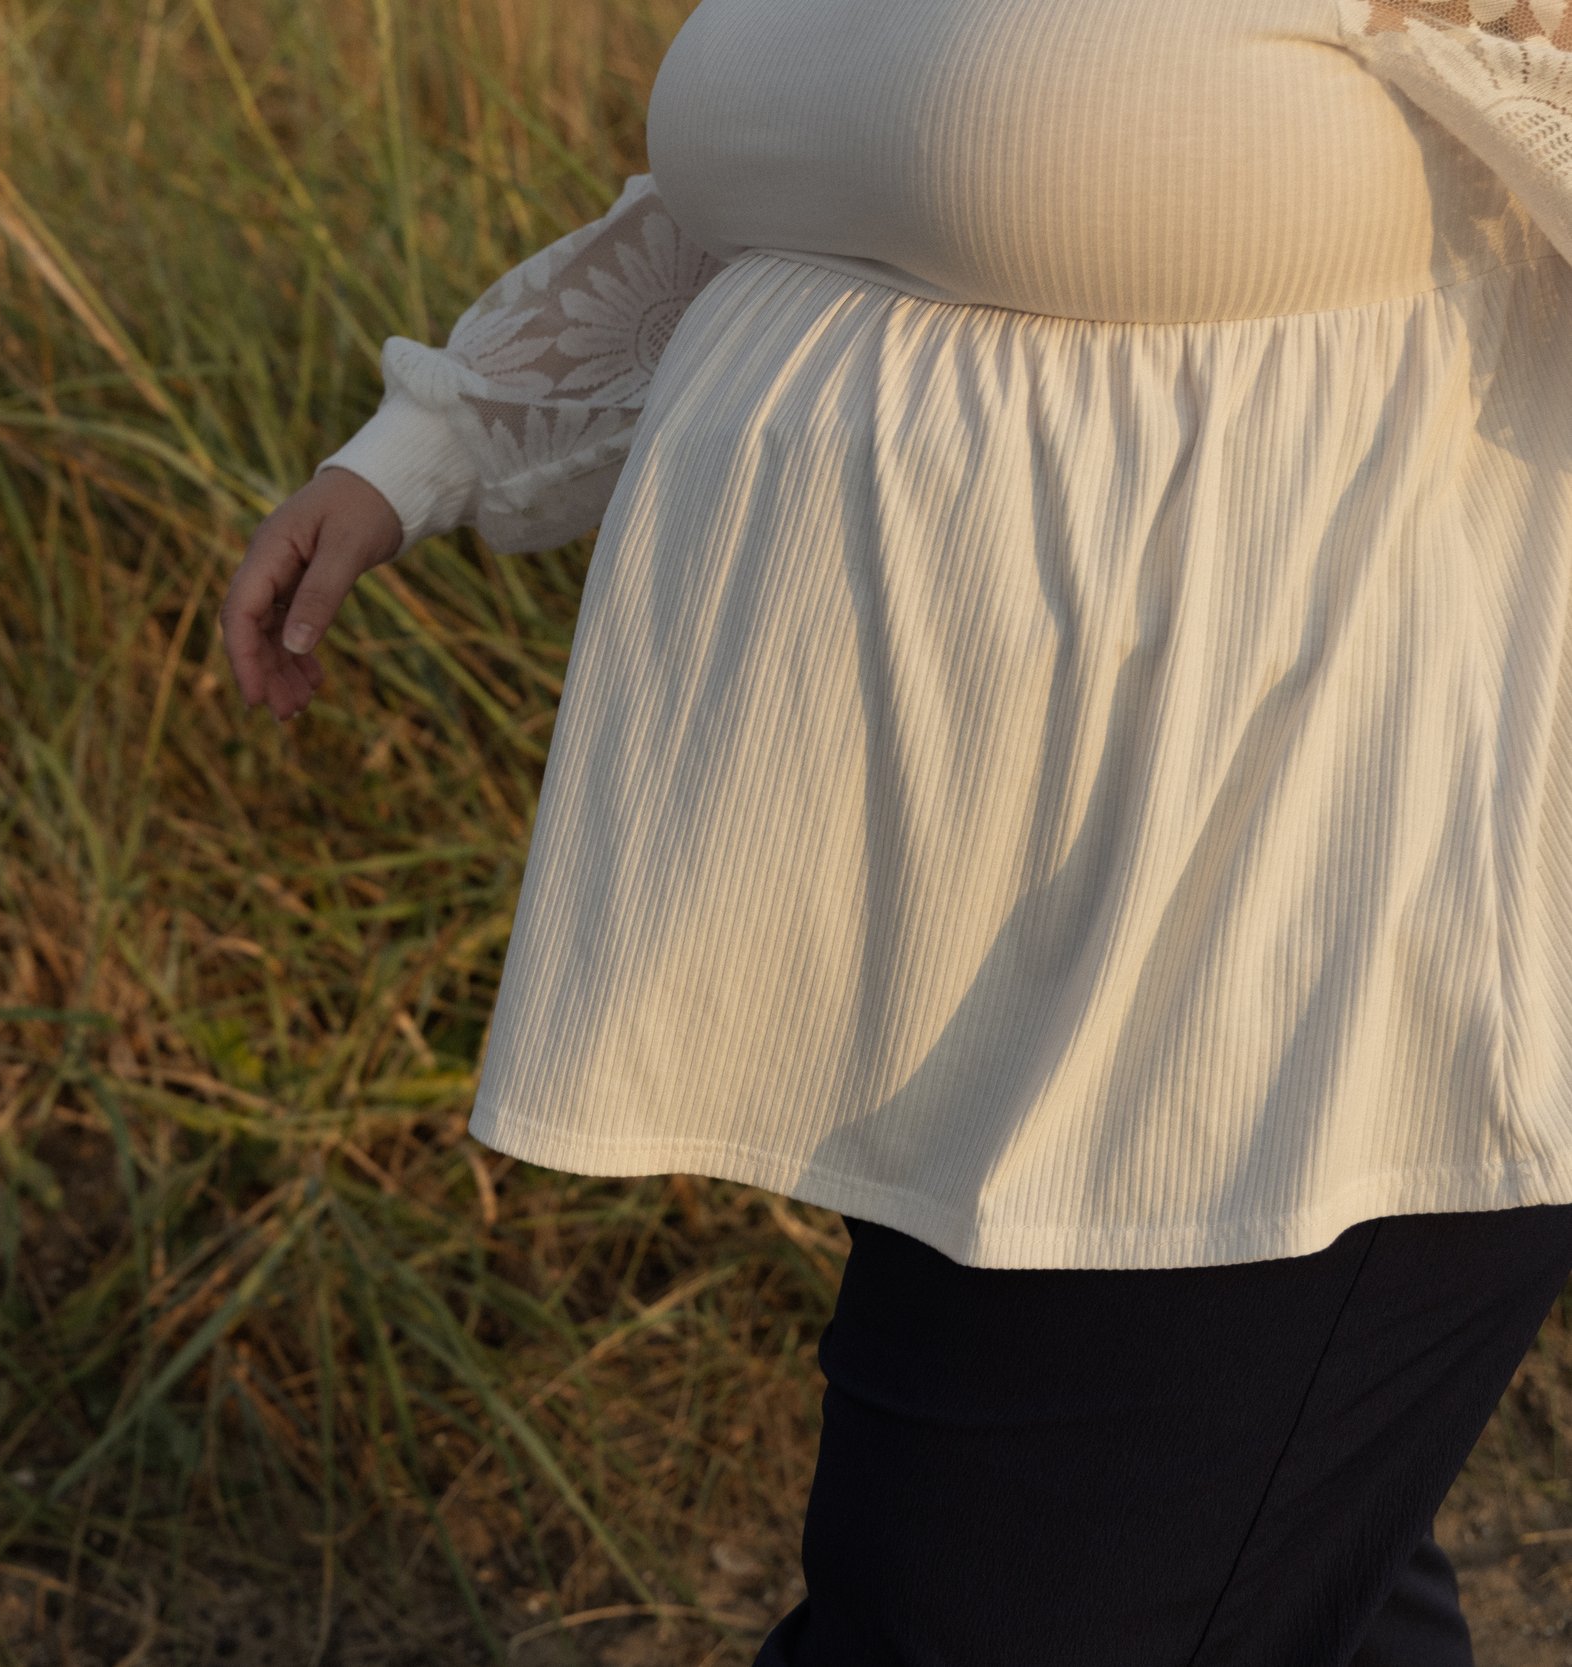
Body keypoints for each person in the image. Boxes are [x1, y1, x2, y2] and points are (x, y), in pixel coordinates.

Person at [220, 1, 1572, 1661]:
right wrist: (427, 443)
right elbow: (828, 183)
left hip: (1291, 975)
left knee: (980, 1607)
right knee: (1259, 1568)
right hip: (994, 947)